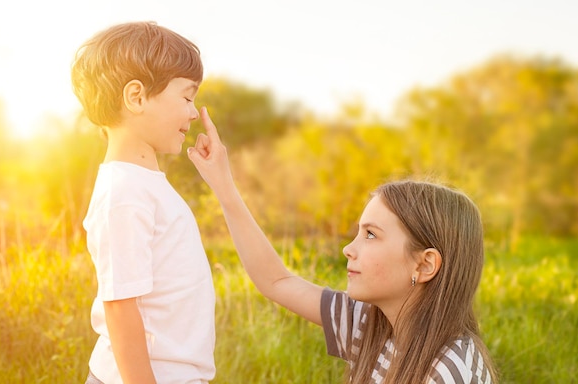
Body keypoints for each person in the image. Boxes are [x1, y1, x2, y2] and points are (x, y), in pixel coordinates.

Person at [186, 109, 498, 383]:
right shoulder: (370, 324)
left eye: (371, 235)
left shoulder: (451, 369)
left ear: (425, 264)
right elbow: (275, 280)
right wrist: (222, 184)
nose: (348, 249)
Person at [72, 21, 215, 384]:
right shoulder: (124, 191)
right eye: (186, 97)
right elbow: (120, 307)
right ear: (136, 97)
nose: (194, 112)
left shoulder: (143, 185)